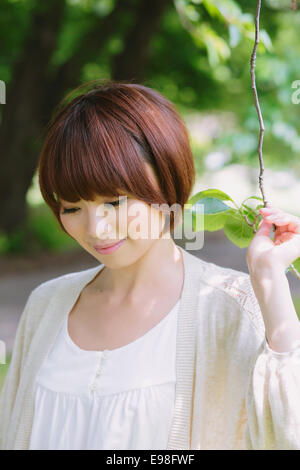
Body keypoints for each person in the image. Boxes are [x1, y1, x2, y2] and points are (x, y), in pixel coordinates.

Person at [1, 79, 300, 450]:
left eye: (115, 201)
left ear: (167, 181)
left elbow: (287, 436)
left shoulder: (231, 307)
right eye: (73, 207)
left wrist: (271, 284)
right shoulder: (47, 304)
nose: (96, 229)